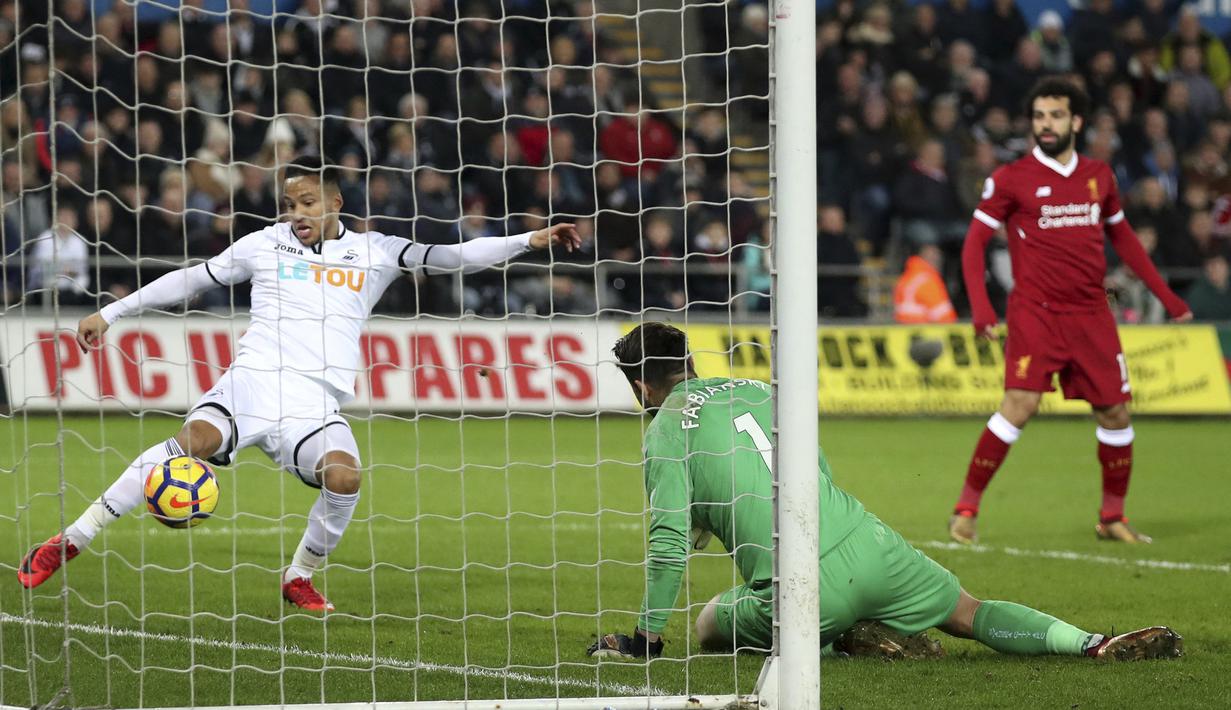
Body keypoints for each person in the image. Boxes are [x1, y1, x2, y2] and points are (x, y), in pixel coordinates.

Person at [17, 156, 581, 612]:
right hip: (254, 381)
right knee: (191, 445)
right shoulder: (265, 243)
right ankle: (70, 539)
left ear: (336, 202)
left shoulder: (376, 250)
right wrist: (114, 312)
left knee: (345, 477)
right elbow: (192, 279)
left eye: (308, 202)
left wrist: (527, 242)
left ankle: (299, 576)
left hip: (315, 402)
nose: (297, 213)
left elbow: (454, 256)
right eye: (289, 204)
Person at [586, 323, 1182, 662]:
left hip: (801, 586)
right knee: (968, 612)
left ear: (642, 383)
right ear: (689, 361)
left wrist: (646, 637)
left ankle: (845, 634)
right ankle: (1092, 645)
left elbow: (668, 542)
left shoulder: (663, 429)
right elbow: (812, 467)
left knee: (710, 624)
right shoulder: (760, 387)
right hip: (864, 537)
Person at [951, 79, 1192, 546]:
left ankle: (1112, 518)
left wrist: (1169, 298)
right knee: (1019, 406)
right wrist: (982, 309)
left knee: (1116, 412)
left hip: (1091, 314)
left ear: (1076, 121)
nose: (1045, 124)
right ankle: (966, 511)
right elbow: (974, 242)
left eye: (1055, 116)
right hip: (1035, 312)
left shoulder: (1100, 175)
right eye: (1039, 116)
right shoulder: (1010, 178)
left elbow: (1124, 239)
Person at [894, 244, 957, 323]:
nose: (939, 264)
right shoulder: (928, 281)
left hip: (903, 330)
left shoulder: (906, 278)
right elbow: (945, 316)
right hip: (924, 330)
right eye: (937, 260)